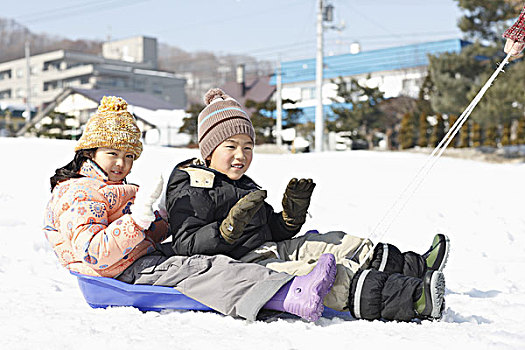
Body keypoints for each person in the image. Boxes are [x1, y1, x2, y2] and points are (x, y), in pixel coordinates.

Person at [44, 95, 338, 322]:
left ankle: (291, 285)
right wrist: (137, 219)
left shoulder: (114, 187)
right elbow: (95, 251)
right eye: (112, 154)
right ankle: (289, 294)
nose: (122, 164)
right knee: (206, 269)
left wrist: (163, 216)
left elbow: (149, 234)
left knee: (202, 261)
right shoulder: (78, 193)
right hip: (115, 275)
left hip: (138, 259)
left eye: (129, 156)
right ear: (89, 152)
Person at [166, 88, 450, 322]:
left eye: (248, 147)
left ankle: (415, 266)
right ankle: (414, 299)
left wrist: (290, 217)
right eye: (230, 146)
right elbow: (185, 244)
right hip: (240, 263)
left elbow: (270, 231)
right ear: (208, 149)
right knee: (326, 273)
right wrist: (226, 230)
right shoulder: (191, 185)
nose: (241, 155)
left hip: (267, 248)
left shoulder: (243, 183)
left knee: (336, 242)